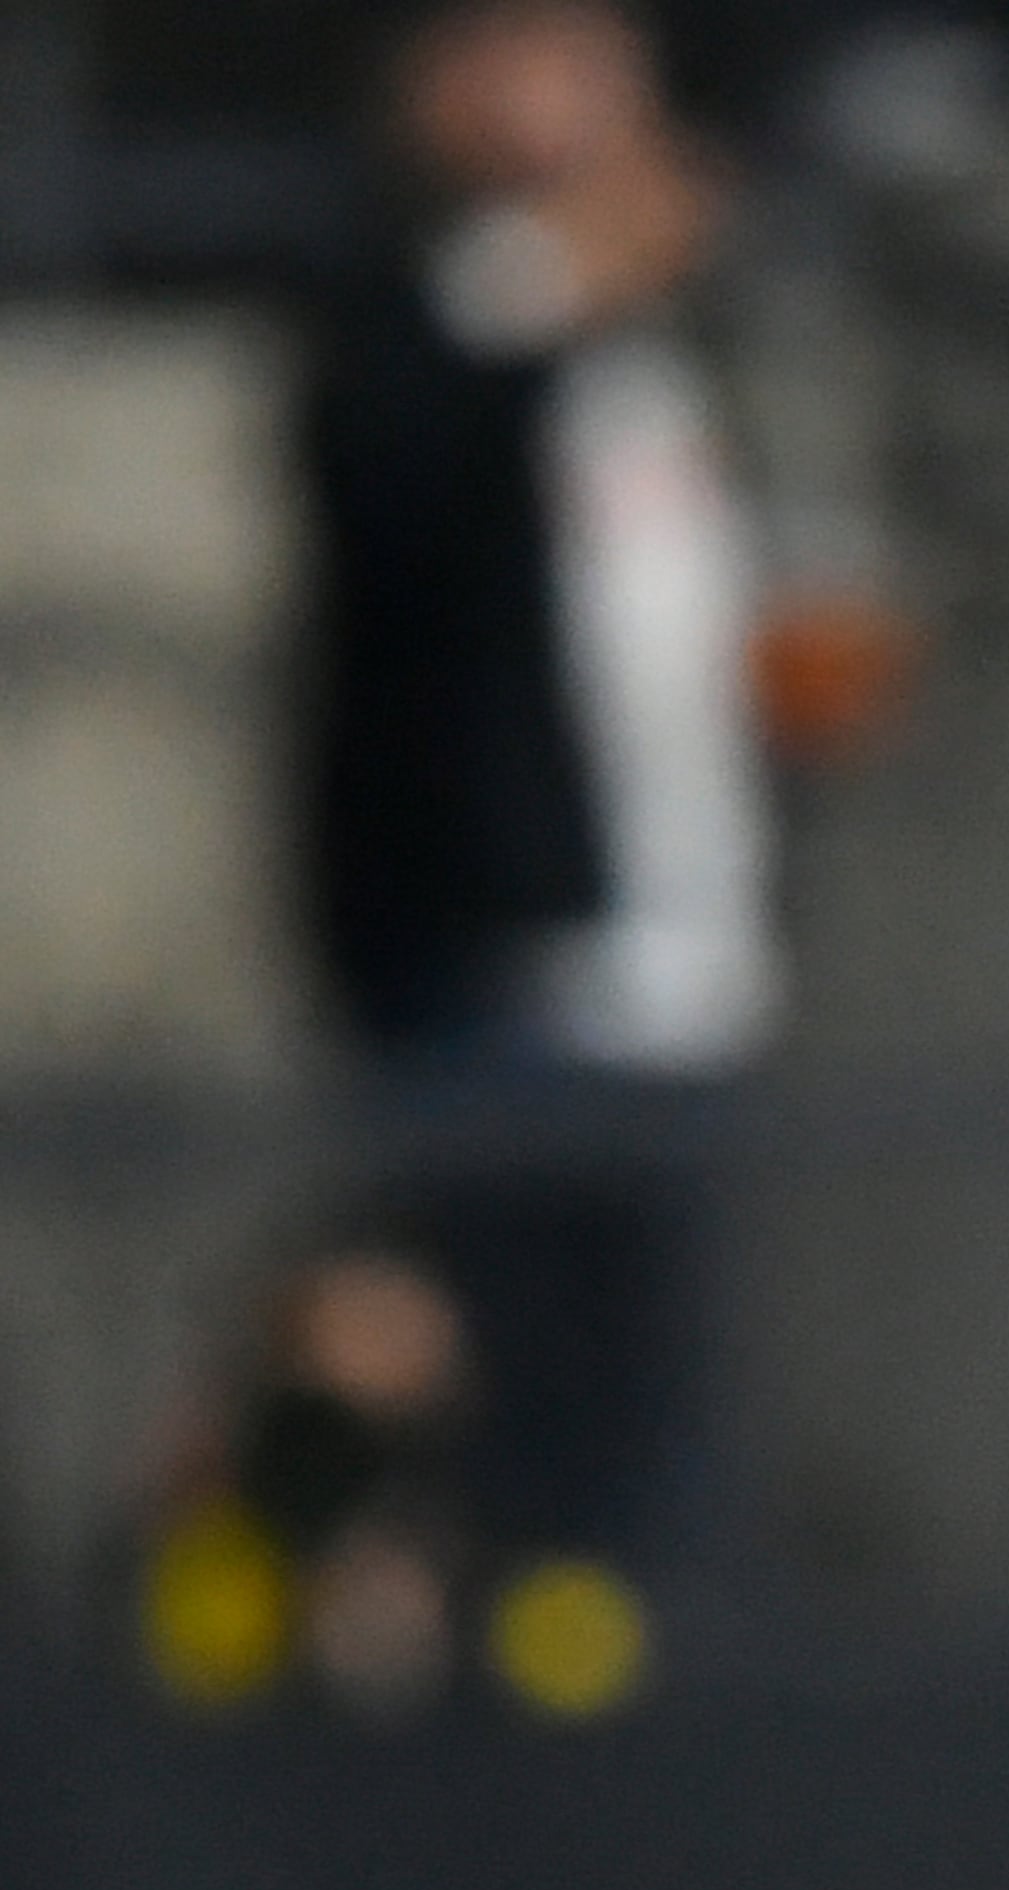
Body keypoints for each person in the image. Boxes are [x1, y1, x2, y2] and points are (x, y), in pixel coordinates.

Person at [295, 0, 896, 1631]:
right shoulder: (417, 329)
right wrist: (555, 263)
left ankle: (630, 1735)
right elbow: (395, 465)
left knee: (653, 1462)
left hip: (686, 981)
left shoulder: (675, 365)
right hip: (496, 986)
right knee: (479, 1414)